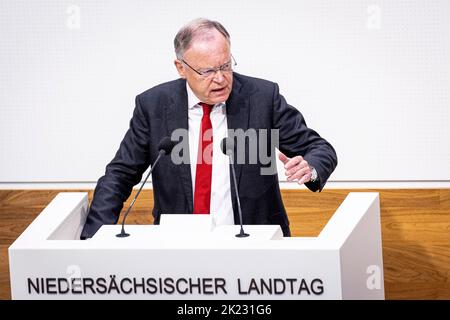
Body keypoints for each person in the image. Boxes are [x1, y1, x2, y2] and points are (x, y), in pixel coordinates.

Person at [80, 18, 337, 240]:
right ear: (181, 68)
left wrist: (310, 167)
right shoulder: (153, 105)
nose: (221, 78)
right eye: (208, 71)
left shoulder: (262, 98)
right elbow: (120, 175)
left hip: (255, 245)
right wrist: (91, 242)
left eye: (225, 65)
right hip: (179, 248)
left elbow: (319, 148)